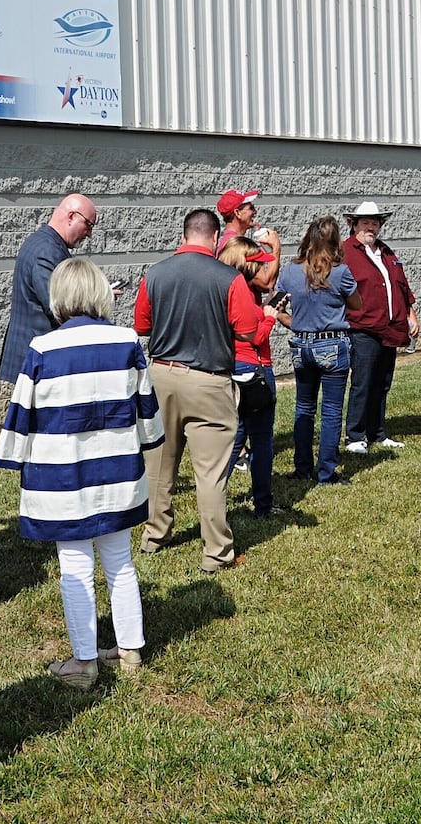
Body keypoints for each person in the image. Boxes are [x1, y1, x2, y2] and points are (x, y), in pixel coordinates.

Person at [0, 259, 163, 689]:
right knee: (120, 561)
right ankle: (130, 648)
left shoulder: (43, 349)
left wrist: (9, 457)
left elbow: (20, 416)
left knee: (74, 563)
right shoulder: (126, 342)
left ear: (60, 296)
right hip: (118, 471)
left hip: (62, 477)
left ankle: (84, 661)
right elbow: (147, 412)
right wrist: (150, 437)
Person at [134, 210, 261, 573]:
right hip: (210, 379)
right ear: (215, 236)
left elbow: (142, 325)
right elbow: (249, 331)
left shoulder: (155, 273)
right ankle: (216, 552)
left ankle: (154, 535)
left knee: (158, 464)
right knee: (210, 472)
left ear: (186, 234)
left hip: (161, 376)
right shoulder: (230, 278)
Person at [275, 216, 362, 486]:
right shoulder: (340, 272)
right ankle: (326, 472)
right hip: (332, 343)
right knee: (332, 410)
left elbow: (275, 306)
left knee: (304, 407)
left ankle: (302, 468)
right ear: (336, 241)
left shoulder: (290, 270)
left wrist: (295, 324)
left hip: (302, 344)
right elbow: (357, 304)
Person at [341, 202, 417, 455]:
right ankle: (355, 435)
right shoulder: (345, 252)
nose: (371, 228)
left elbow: (401, 286)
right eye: (365, 223)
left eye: (375, 223)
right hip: (362, 327)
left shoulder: (385, 252)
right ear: (354, 225)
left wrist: (410, 314)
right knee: (362, 381)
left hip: (390, 327)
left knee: (382, 382)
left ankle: (377, 432)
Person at [0, 194, 97, 385]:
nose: (89, 234)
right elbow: (58, 306)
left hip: (35, 360)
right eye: (89, 225)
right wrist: (95, 301)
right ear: (71, 217)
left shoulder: (42, 243)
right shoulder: (48, 252)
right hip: (38, 365)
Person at [218, 237, 282, 516]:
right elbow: (255, 336)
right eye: (257, 264)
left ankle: (214, 499)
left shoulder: (221, 287)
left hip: (231, 368)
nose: (262, 270)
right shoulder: (241, 290)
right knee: (261, 438)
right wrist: (269, 316)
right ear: (245, 264)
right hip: (254, 369)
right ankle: (263, 505)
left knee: (235, 437)